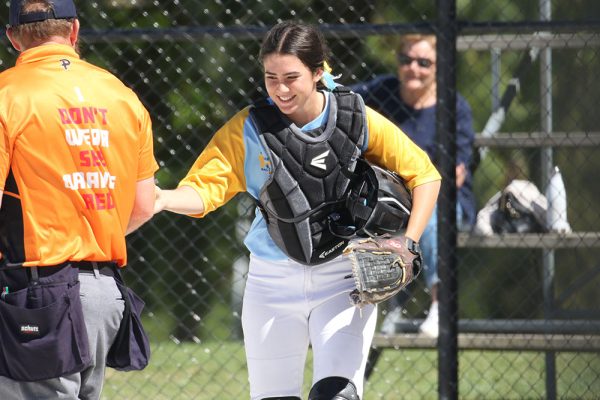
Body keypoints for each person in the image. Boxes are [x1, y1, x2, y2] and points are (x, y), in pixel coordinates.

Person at [154, 21, 440, 400]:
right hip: (271, 281)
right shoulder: (251, 128)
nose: (281, 89)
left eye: (292, 77)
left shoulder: (353, 116)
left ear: (318, 71)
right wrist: (161, 199)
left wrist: (409, 242)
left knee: (337, 394)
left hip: (344, 276)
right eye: (271, 77)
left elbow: (424, 174)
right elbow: (205, 191)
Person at [0, 0, 157, 399]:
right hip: (104, 294)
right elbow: (143, 204)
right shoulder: (123, 96)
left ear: (14, 38)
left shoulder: (7, 94)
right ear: (73, 31)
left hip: (31, 294)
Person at [352, 34, 476, 338]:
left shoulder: (454, 108)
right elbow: (338, 102)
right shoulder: (381, 91)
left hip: (441, 201)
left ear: (438, 66)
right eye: (406, 60)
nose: (414, 69)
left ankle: (440, 305)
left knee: (431, 211)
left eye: (424, 62)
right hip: (387, 200)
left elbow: (454, 175)